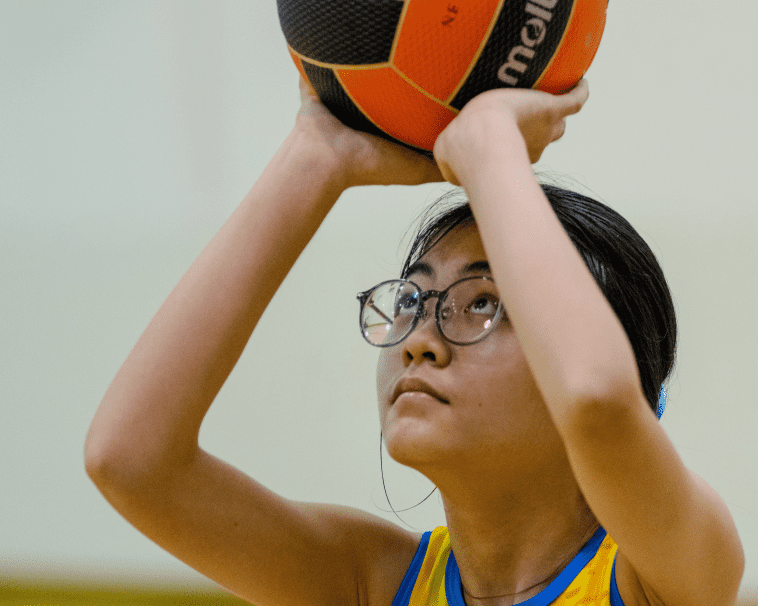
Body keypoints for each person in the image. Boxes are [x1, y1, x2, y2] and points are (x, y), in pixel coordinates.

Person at [85, 78, 744, 606]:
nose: (419, 342)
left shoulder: (670, 573)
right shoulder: (375, 582)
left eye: (482, 303)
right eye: (409, 302)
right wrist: (316, 157)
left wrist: (491, 153)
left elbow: (597, 396)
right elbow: (129, 459)